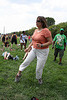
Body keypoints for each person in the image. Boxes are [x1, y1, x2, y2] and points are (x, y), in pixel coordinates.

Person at [15, 16, 52, 84]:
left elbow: (50, 42)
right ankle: (18, 74)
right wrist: (28, 48)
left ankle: (39, 78)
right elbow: (33, 41)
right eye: (36, 21)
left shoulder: (46, 31)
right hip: (34, 49)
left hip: (43, 51)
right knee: (26, 62)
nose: (36, 22)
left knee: (39, 67)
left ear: (42, 22)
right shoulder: (35, 30)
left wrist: (42, 45)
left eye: (38, 21)